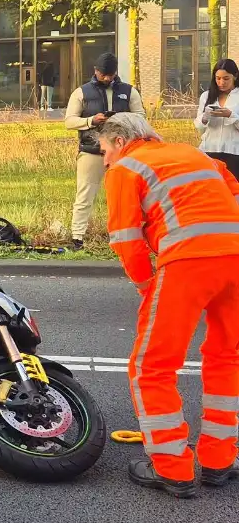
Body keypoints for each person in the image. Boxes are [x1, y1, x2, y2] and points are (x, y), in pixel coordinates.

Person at [100, 112, 239, 497]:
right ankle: (219, 459)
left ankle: (173, 467)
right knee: (226, 358)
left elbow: (126, 240)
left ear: (119, 141)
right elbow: (233, 194)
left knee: (152, 367)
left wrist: (148, 285)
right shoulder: (197, 156)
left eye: (104, 151)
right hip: (236, 257)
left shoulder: (126, 168)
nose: (105, 160)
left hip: (187, 262)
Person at [64, 52, 144, 250]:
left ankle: (125, 237)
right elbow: (69, 121)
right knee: (85, 193)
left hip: (122, 152)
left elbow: (141, 116)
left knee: (124, 195)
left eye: (111, 74)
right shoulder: (81, 92)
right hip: (92, 150)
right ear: (95, 71)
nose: (107, 78)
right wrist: (91, 121)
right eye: (103, 75)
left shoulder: (129, 91)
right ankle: (77, 237)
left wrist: (122, 120)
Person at [194, 58, 239, 180]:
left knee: (233, 191)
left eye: (226, 78)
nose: (221, 82)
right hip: (209, 150)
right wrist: (205, 117)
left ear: (235, 76)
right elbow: (199, 126)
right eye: (218, 78)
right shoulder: (206, 96)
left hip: (234, 152)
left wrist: (231, 115)